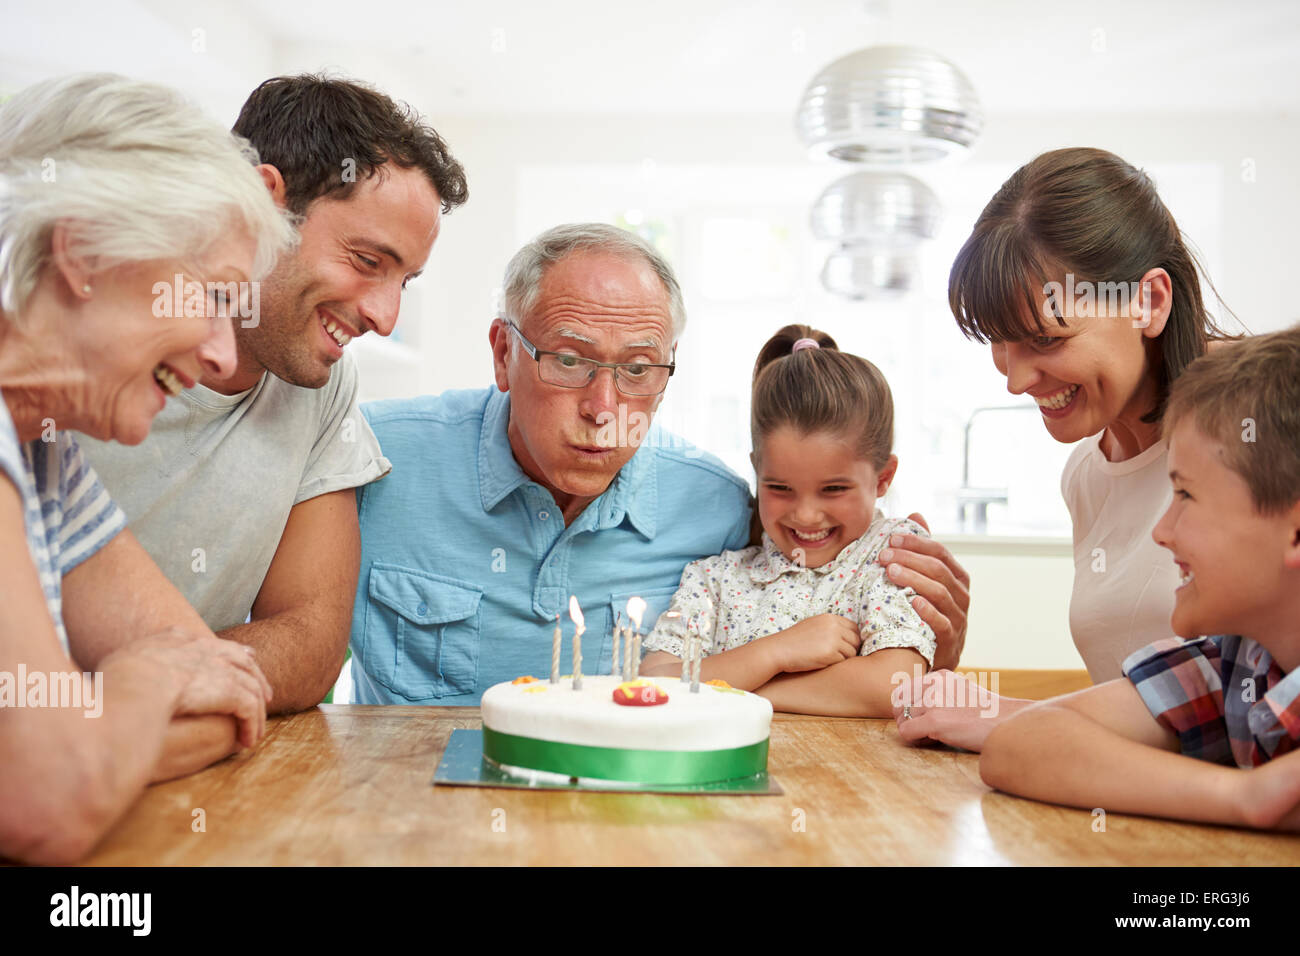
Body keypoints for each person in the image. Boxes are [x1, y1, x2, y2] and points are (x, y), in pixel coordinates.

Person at [78, 75, 468, 727]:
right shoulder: (62, 372)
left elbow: (312, 649)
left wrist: (136, 705)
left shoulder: (322, 383)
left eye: (406, 280)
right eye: (368, 259)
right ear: (262, 205)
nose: (386, 316)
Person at [0, 74, 293, 863]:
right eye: (215, 297)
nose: (223, 354)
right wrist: (147, 681)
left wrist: (83, 740)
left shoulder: (44, 456)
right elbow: (44, 801)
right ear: (85, 249)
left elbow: (230, 696)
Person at [896, 146, 1240, 750]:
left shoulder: (1262, 420)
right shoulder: (1086, 471)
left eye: (1046, 339)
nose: (1015, 378)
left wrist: (1015, 719)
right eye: (1001, 342)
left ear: (1149, 302)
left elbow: (1254, 695)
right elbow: (1146, 702)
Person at [348, 223, 753, 704]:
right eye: (567, 360)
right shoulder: (367, 457)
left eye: (639, 368)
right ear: (503, 353)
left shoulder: (720, 510)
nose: (603, 409)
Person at [980, 325, 1300, 830]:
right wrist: (1245, 797)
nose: (1162, 531)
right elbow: (1018, 744)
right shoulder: (1239, 660)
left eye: (1187, 496)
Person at [639, 325, 935, 716]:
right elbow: (654, 685)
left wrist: (738, 688)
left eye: (833, 490)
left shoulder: (892, 554)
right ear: (756, 471)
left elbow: (895, 685)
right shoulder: (713, 580)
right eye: (779, 488)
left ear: (883, 478)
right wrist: (775, 652)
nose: (806, 514)